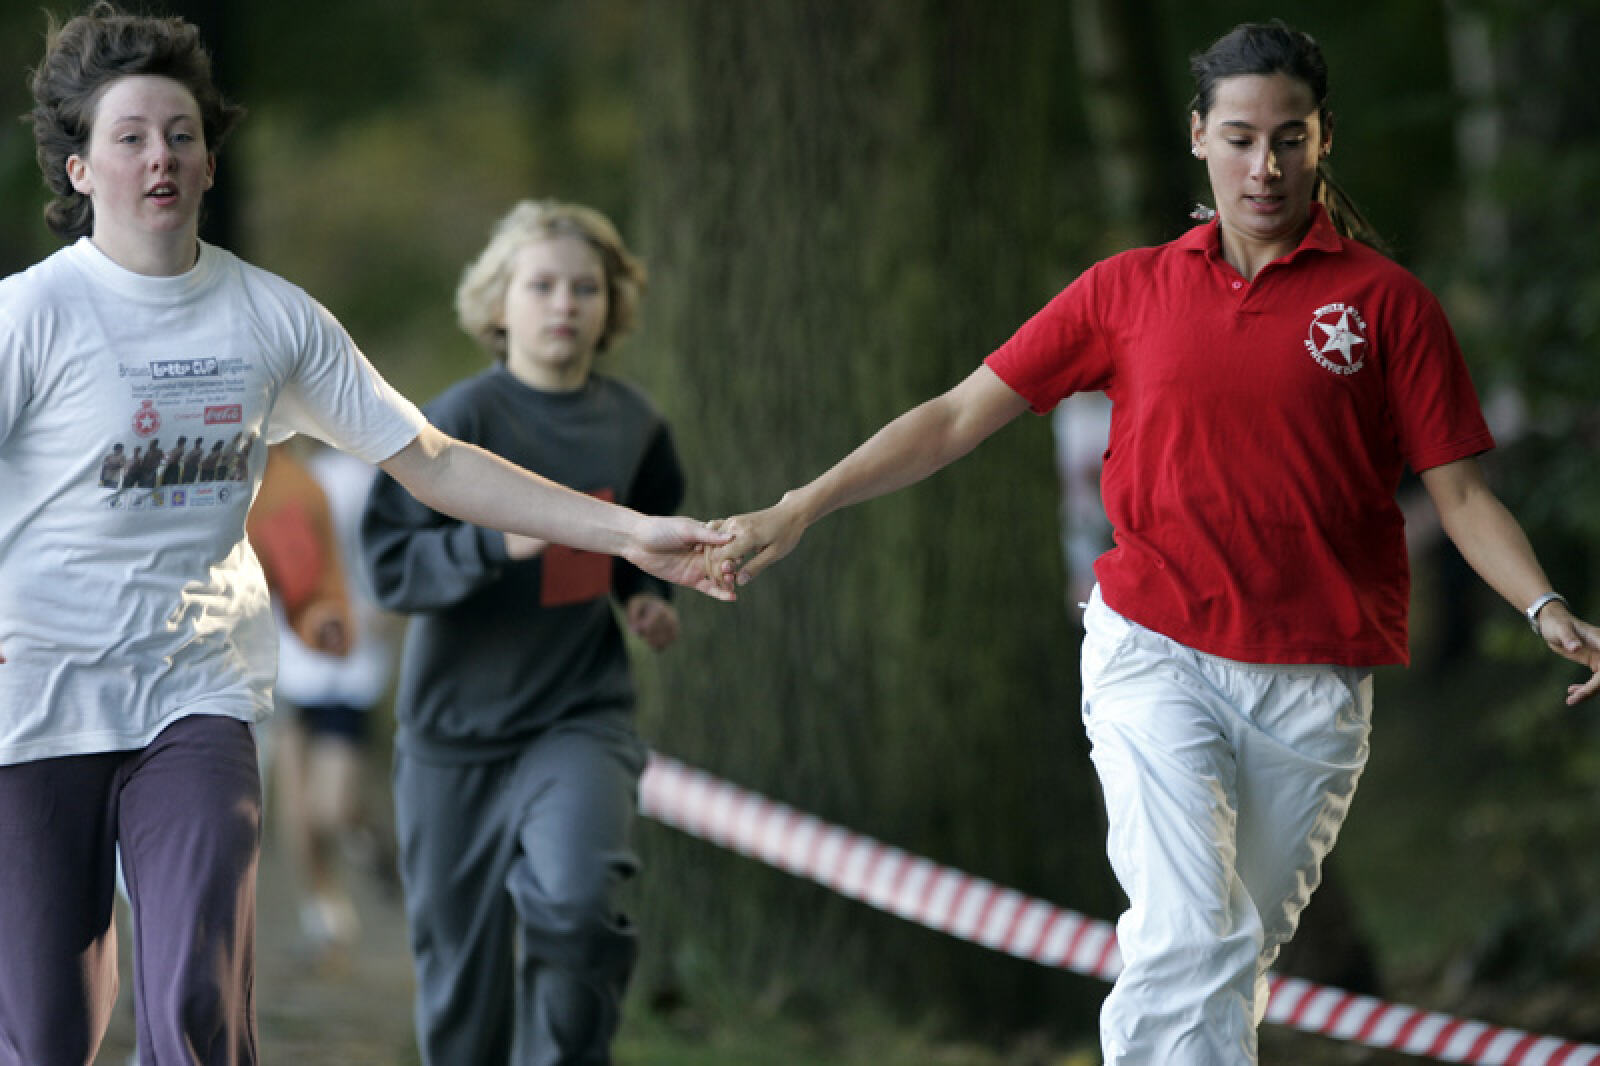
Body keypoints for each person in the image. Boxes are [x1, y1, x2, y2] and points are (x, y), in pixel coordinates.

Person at [706, 21, 1600, 1066]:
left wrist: (1545, 605)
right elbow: (953, 417)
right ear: (1196, 137)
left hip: (1312, 683)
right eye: (1239, 139)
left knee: (1228, 956)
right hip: (1155, 649)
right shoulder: (1126, 290)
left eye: (1289, 139)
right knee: (1190, 936)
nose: (1264, 167)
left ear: (1323, 139)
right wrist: (797, 507)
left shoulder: (1387, 306)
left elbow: (1464, 496)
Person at [0, 8, 730, 1066]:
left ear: (209, 163)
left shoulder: (271, 317)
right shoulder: (30, 317)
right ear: (80, 170)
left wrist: (629, 533)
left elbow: (433, 459)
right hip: (36, 703)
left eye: (182, 134)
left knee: (197, 1008)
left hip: (193, 694)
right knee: (43, 1033)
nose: (162, 155)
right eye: (132, 137)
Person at [361, 199, 685, 1066]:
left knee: (579, 910)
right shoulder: (451, 424)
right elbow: (389, 566)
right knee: (461, 997)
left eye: (586, 288)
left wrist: (644, 597)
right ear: (498, 302)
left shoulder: (635, 426)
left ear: (612, 306)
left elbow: (643, 533)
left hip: (577, 718)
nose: (564, 304)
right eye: (541, 286)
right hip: (451, 740)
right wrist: (492, 541)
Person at [253, 441, 394, 968]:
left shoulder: (362, 476)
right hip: (286, 656)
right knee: (294, 804)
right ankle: (324, 912)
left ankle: (367, 837)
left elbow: (392, 547)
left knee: (328, 806)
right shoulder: (264, 475)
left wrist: (387, 608)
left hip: (351, 658)